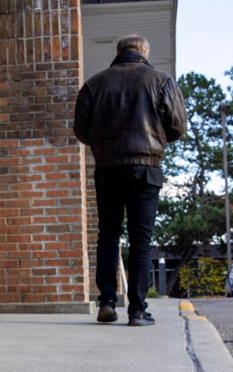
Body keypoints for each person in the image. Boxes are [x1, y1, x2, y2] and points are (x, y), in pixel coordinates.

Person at [73, 35, 187, 326]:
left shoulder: (94, 84)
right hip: (146, 168)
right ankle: (137, 310)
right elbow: (177, 127)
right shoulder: (161, 81)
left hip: (107, 168)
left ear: (118, 52)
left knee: (108, 234)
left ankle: (107, 303)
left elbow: (81, 131)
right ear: (145, 52)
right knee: (141, 239)